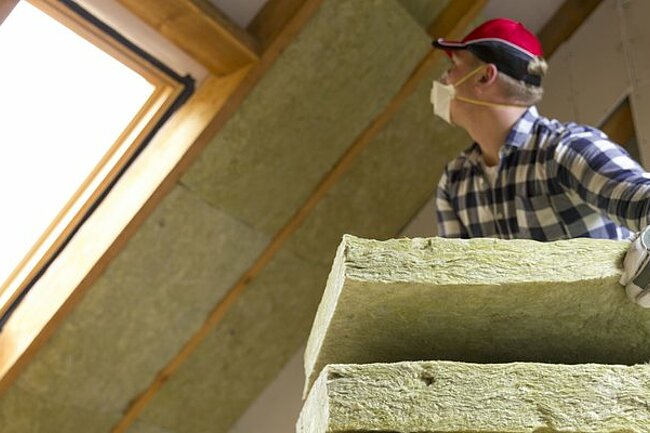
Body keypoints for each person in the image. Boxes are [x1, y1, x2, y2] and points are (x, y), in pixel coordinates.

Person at [430, 18, 650, 306]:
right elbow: (456, 290)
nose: (444, 79)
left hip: (614, 332)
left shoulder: (564, 149)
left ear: (484, 76)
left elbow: (642, 197)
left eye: (453, 66)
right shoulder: (454, 183)